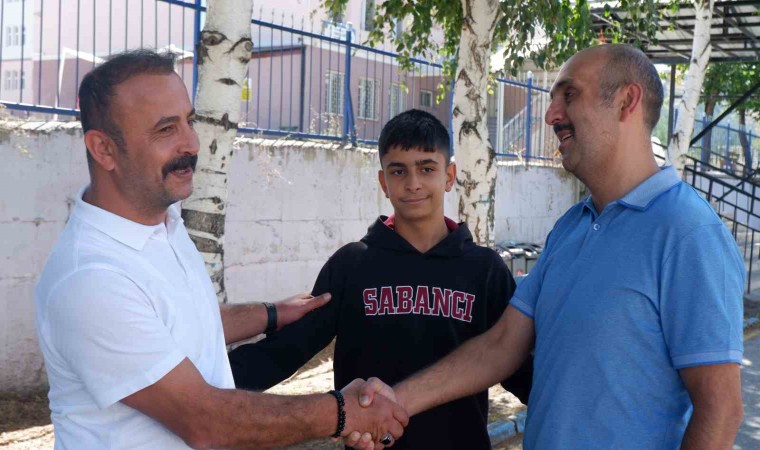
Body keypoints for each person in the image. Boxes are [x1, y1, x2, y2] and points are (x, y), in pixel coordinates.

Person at [349, 44, 745, 450]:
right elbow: (502, 345)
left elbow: (720, 410)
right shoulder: (571, 226)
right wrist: (395, 401)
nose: (551, 114)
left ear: (627, 101)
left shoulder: (688, 233)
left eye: (569, 95)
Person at [34, 49, 408, 450]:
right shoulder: (91, 278)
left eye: (189, 121)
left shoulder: (161, 224)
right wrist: (342, 412)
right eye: (166, 129)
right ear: (104, 149)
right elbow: (205, 420)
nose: (192, 143)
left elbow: (180, 321)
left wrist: (271, 314)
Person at [228, 109, 532, 450]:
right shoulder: (352, 265)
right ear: (383, 182)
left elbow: (518, 365)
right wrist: (199, 386)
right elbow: (285, 351)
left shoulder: (485, 270)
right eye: (398, 171)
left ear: (449, 176)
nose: (413, 183)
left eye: (427, 169)